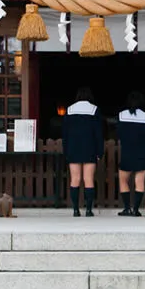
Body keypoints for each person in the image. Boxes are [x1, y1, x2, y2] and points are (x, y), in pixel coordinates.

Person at [62, 87, 104, 217]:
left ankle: (75, 210)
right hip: (89, 148)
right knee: (88, 179)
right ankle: (89, 210)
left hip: (73, 148)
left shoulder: (69, 110)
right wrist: (99, 152)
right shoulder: (94, 110)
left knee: (75, 179)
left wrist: (66, 151)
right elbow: (98, 134)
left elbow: (65, 134)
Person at [116, 91, 145, 217]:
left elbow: (119, 134)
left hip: (127, 151)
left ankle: (127, 208)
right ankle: (136, 209)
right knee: (139, 180)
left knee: (123, 180)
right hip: (142, 151)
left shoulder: (121, 115)